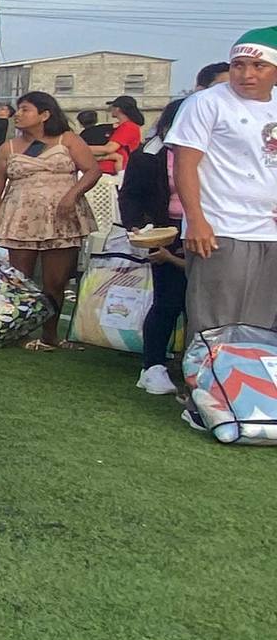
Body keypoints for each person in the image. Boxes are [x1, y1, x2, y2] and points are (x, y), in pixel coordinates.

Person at [169, 30, 277, 338]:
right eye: (238, 65)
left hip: (269, 230)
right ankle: (208, 372)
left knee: (261, 326)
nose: (246, 74)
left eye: (258, 66)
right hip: (222, 228)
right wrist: (196, 220)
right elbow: (185, 164)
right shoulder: (206, 103)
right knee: (215, 325)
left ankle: (249, 372)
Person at [0, 91, 101, 351]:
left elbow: (93, 170)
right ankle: (18, 330)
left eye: (25, 109)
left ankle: (50, 335)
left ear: (45, 114)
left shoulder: (67, 139)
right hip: (21, 218)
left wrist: (72, 194)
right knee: (19, 279)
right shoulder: (8, 147)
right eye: (18, 109)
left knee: (55, 281)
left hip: (61, 218)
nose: (18, 115)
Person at [119, 100, 187, 396]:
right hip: (166, 231)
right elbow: (131, 195)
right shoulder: (151, 154)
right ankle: (153, 366)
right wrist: (139, 226)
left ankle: (199, 364)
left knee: (203, 305)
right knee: (168, 300)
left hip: (216, 230)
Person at [101, 96, 145, 175]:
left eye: (112, 106)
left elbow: (109, 148)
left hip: (112, 172)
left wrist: (85, 149)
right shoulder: (123, 126)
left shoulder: (128, 126)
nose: (111, 109)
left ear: (118, 109)